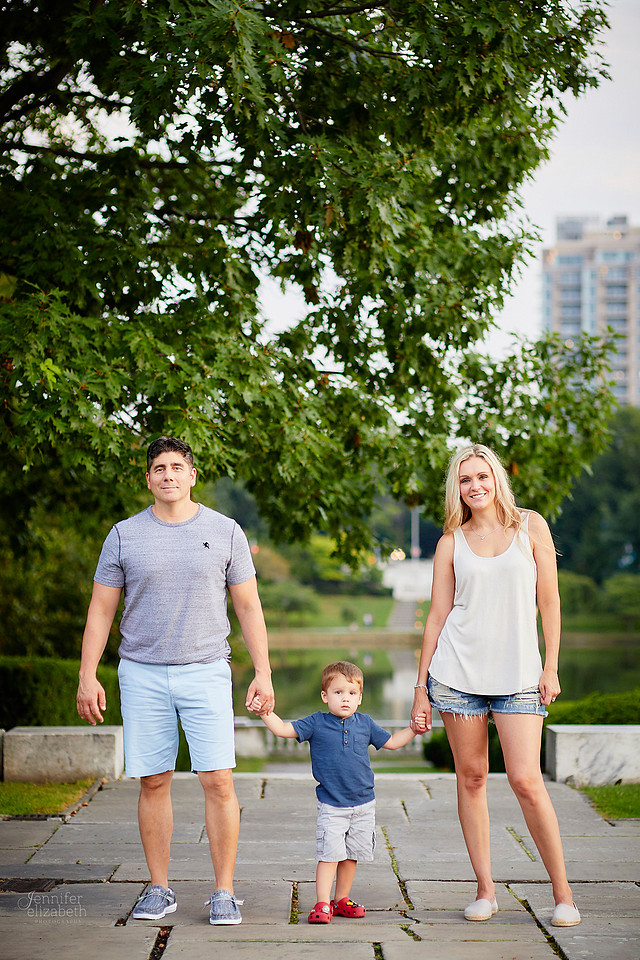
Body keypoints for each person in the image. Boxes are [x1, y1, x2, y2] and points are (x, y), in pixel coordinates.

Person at [76, 436, 274, 926]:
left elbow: (248, 607)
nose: (168, 475)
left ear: (191, 475)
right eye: (159, 468)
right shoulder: (123, 535)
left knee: (218, 781)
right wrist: (87, 675)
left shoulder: (224, 531)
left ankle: (224, 892)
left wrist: (263, 672)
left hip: (206, 669)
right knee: (154, 780)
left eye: (177, 467)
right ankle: (159, 888)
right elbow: (101, 612)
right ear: (148, 478)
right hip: (141, 672)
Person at [410, 443, 581, 928]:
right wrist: (421, 690)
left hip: (520, 676)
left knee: (527, 780)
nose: (475, 486)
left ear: (497, 478)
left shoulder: (531, 526)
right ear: (457, 488)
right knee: (472, 778)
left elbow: (550, 601)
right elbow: (437, 618)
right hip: (457, 675)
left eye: (482, 476)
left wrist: (551, 666)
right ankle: (485, 891)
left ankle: (563, 893)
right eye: (466, 480)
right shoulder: (451, 542)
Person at [259, 660, 426, 924]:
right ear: (325, 696)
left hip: (363, 803)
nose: (345, 699)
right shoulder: (316, 723)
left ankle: (342, 900)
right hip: (332, 805)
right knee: (329, 855)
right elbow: (282, 729)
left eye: (351, 693)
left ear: (360, 698)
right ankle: (322, 903)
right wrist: (265, 712)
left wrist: (414, 730)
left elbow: (392, 742)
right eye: (338, 693)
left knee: (351, 855)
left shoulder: (366, 724)